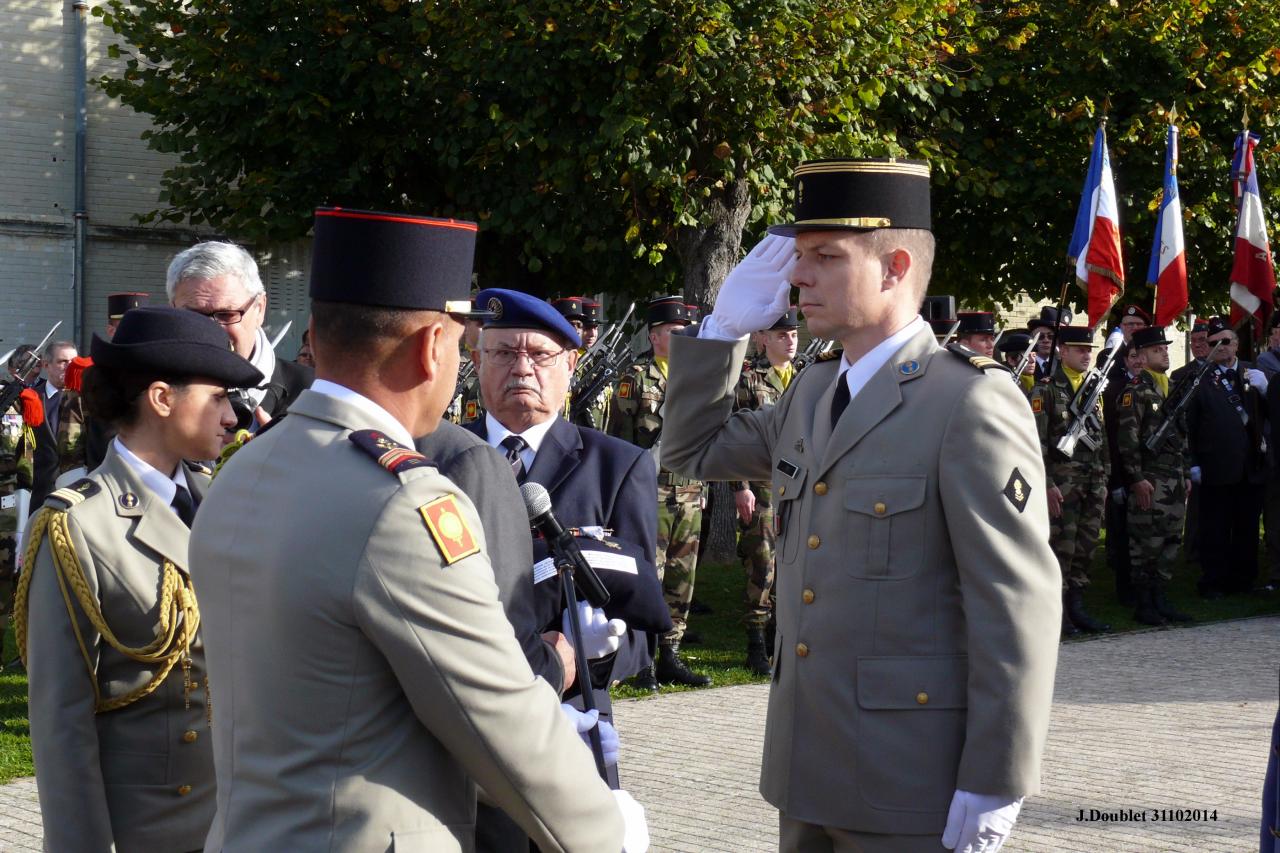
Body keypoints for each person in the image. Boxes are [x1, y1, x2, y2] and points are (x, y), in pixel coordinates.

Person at [188, 207, 641, 851]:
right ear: (432, 348)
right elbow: (494, 712)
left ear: (316, 333)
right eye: (460, 343)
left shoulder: (245, 468)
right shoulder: (404, 502)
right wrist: (606, 827)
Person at [661, 158, 1060, 852]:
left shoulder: (968, 400)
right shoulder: (813, 390)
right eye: (801, 256)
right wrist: (721, 331)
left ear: (894, 267)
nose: (797, 276)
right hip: (804, 770)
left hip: (908, 780)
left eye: (825, 256)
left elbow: (1016, 603)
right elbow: (692, 450)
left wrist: (998, 775)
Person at [16, 306, 261, 851]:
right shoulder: (77, 525)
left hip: (240, 819)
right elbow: (61, 720)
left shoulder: (221, 500)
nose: (232, 417)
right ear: (162, 398)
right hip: (149, 831)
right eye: (218, 397)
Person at [465, 287, 664, 775]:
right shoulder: (438, 457)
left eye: (539, 355)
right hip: (457, 723)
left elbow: (643, 624)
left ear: (571, 365)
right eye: (504, 353)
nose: (521, 368)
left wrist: (591, 656)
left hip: (569, 723)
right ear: (477, 360)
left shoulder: (617, 467)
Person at [608, 295, 711, 688]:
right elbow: (619, 440)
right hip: (650, 493)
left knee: (683, 580)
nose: (681, 336)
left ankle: (671, 654)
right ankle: (643, 661)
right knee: (650, 575)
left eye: (685, 330)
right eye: (673, 331)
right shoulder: (636, 378)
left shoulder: (697, 378)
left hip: (690, 492)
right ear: (654, 336)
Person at [167, 240, 313, 431]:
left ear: (260, 309)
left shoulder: (311, 392)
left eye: (227, 315)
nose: (211, 330)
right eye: (194, 316)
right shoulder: (148, 393)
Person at [1029, 326, 1111, 636]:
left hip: (1092, 482)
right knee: (1060, 548)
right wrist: (1047, 484)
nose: (1086, 355)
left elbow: (1101, 439)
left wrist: (1104, 478)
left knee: (1085, 549)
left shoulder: (1093, 389)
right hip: (1062, 486)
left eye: (1089, 350)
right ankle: (1057, 614)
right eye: (1079, 349)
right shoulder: (1046, 390)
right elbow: (1036, 444)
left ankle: (1077, 607)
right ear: (1062, 352)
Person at [732, 306, 800, 676]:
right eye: (782, 335)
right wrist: (740, 487)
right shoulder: (749, 380)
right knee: (762, 563)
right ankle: (755, 643)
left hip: (798, 487)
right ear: (764, 339)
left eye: (794, 334)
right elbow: (736, 438)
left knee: (792, 564)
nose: (790, 341)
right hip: (760, 486)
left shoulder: (805, 378)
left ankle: (781, 636)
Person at [1114, 326, 1193, 625]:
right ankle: (1144, 603)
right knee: (1146, 542)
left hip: (1173, 478)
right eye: (1157, 349)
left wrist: (1185, 472)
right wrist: (1136, 478)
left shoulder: (1171, 388)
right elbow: (1127, 440)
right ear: (1142, 356)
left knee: (1171, 539)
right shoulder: (1135, 391)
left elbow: (1182, 437)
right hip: (1150, 479)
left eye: (1165, 348)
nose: (1165, 353)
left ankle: (1161, 597)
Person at [1186, 320, 1268, 598]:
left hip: (1251, 466)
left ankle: (1243, 581)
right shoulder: (1199, 379)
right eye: (1213, 343)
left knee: (1247, 528)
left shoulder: (1253, 372)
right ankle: (1213, 582)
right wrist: (1193, 463)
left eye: (1225, 341)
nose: (1220, 347)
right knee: (1215, 528)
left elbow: (1270, 415)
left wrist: (1267, 390)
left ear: (1236, 344)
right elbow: (1190, 426)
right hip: (1215, 466)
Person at [84, 292, 151, 471]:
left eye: (141, 327)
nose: (136, 333)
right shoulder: (95, 373)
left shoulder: (159, 371)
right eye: (127, 327)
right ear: (111, 330)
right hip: (105, 470)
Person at [1102, 342, 1144, 607]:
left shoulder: (1153, 385)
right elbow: (1112, 437)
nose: (1138, 361)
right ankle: (1126, 590)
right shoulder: (1114, 389)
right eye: (1133, 356)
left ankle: (1146, 588)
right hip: (1123, 474)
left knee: (1145, 535)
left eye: (1142, 355)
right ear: (1125, 361)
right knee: (1123, 535)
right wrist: (1116, 480)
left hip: (1148, 474)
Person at [28, 340, 85, 513]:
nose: (69, 366)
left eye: (73, 362)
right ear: (46, 365)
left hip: (77, 494)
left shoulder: (87, 400)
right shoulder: (29, 399)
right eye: (62, 362)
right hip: (39, 494)